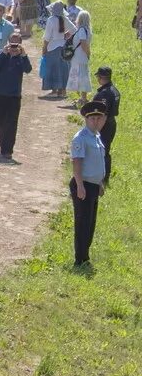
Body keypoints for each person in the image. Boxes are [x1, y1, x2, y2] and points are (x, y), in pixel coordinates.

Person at [70, 102, 108, 268]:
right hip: (83, 184)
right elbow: (77, 163)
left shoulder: (97, 137)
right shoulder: (81, 138)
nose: (95, 121)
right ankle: (80, 259)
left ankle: (86, 255)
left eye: (98, 118)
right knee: (83, 223)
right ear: (86, 119)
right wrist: (79, 185)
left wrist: (100, 182)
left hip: (93, 185)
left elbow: (98, 162)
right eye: (92, 118)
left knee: (91, 223)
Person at [0, 35, 33, 161]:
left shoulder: (21, 57)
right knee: (0, 122)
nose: (14, 46)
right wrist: (4, 53)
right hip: (0, 94)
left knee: (12, 123)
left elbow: (28, 69)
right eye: (12, 43)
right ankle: (3, 143)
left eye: (17, 44)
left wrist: (23, 55)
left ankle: (8, 150)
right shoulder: (1, 53)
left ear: (21, 44)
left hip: (14, 96)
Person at [94, 66, 119, 180]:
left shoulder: (104, 94)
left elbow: (103, 114)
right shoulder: (114, 90)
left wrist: (95, 131)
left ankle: (103, 176)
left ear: (100, 77)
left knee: (101, 150)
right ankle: (105, 176)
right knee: (106, 149)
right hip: (112, 123)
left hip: (104, 125)